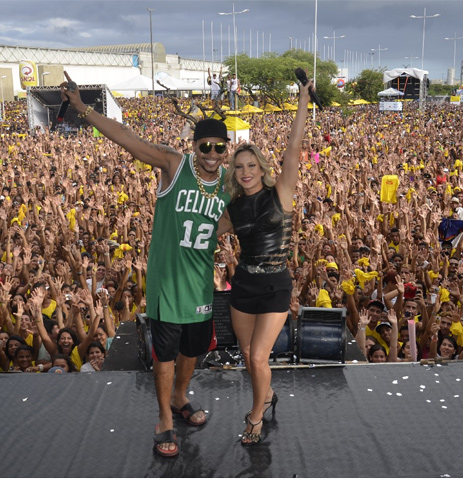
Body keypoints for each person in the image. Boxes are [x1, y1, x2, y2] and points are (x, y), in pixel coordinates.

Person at [60, 71, 232, 458]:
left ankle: (180, 397)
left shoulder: (228, 182)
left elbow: (230, 220)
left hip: (201, 281)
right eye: (204, 146)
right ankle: (165, 419)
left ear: (226, 149)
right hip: (168, 282)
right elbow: (129, 140)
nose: (210, 154)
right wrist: (82, 109)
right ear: (194, 145)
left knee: (193, 349)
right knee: (166, 355)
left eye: (218, 148)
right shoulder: (174, 164)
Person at [215, 78, 312, 445]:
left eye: (251, 164)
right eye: (239, 166)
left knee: (258, 357)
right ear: (233, 172)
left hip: (274, 284)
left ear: (261, 166)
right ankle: (267, 395)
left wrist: (302, 98)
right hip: (244, 285)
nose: (245, 171)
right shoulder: (233, 206)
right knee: (245, 353)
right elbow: (207, 234)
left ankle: (255, 416)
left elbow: (294, 144)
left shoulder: (281, 191)